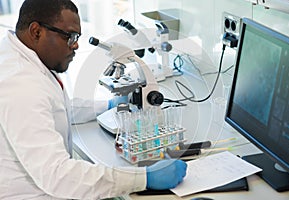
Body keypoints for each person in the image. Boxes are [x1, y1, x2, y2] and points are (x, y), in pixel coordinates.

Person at [0, 0, 187, 199]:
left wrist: (108, 105)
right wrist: (143, 178)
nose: (76, 45)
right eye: (70, 36)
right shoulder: (21, 85)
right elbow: (58, 175)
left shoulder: (19, 56)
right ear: (36, 32)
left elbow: (57, 108)